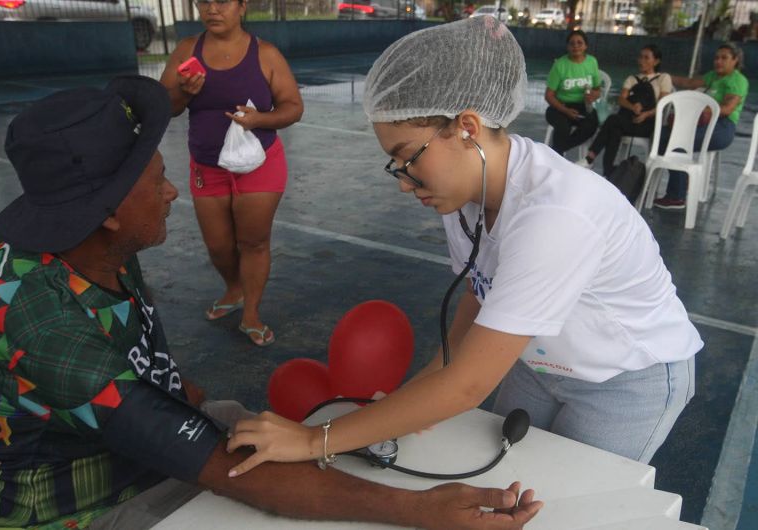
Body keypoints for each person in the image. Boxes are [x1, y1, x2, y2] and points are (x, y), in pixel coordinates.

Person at [0, 76, 541, 530]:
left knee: (243, 423)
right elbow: (220, 469)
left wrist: (177, 402)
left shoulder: (85, 239)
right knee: (261, 484)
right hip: (74, 503)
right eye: (156, 182)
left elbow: (137, 370)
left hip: (114, 441)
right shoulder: (41, 322)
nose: (172, 191)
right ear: (106, 213)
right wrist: (419, 510)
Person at [225, 16, 702, 479]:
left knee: (577, 500)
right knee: (506, 476)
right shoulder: (465, 197)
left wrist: (314, 440)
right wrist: (418, 393)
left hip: (622, 376)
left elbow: (469, 384)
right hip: (538, 361)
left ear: (468, 127)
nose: (404, 184)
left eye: (407, 157)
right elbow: (478, 298)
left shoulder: (556, 215)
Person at [160, 0, 304, 346]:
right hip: (207, 165)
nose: (212, 9)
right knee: (219, 246)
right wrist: (183, 90)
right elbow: (167, 107)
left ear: (242, 6)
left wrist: (260, 120)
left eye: (222, 1)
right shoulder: (186, 50)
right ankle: (234, 287)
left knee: (253, 241)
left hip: (260, 163)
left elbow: (293, 106)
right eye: (204, 2)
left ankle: (251, 312)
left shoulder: (265, 54)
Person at [653, 42, 749, 210]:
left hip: (722, 127)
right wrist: (663, 76)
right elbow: (689, 83)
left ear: (735, 60)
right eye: (717, 58)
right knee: (661, 137)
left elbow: (726, 109)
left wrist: (702, 109)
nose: (718, 61)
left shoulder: (738, 81)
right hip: (700, 122)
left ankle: (677, 196)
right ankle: (684, 180)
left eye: (724, 58)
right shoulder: (713, 76)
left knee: (679, 141)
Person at [579, 44, 672, 176]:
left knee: (612, 121)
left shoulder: (663, 78)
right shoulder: (631, 79)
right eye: (640, 57)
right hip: (628, 120)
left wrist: (646, 114)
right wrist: (632, 107)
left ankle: (590, 158)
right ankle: (608, 170)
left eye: (646, 58)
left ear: (656, 61)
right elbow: (622, 99)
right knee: (615, 129)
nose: (641, 61)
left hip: (648, 123)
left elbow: (662, 104)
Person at [544, 29, 601, 157]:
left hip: (583, 106)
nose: (575, 46)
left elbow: (598, 89)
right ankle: (557, 157)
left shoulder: (592, 62)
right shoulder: (560, 65)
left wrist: (593, 95)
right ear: (567, 47)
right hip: (560, 106)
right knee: (563, 127)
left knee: (592, 124)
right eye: (572, 43)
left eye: (579, 43)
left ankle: (555, 152)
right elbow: (549, 95)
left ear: (586, 46)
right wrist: (565, 110)